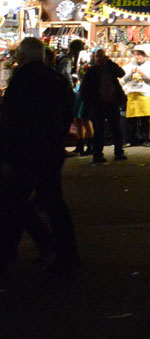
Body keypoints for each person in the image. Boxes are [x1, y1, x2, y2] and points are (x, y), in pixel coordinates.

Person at [0, 37, 78, 273]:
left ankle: (20, 249)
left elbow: (11, 122)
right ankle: (64, 251)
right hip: (50, 148)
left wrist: (9, 157)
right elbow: (68, 108)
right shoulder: (54, 78)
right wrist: (59, 135)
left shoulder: (20, 81)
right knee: (52, 201)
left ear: (22, 56)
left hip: (26, 149)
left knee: (15, 199)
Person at [80, 49, 126, 163]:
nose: (100, 59)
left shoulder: (111, 69)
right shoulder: (92, 72)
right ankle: (98, 154)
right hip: (98, 104)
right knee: (99, 130)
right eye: (98, 57)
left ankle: (118, 152)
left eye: (102, 57)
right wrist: (90, 103)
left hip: (112, 102)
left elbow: (121, 73)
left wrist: (109, 62)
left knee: (116, 128)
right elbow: (84, 89)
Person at [122, 49, 150, 147]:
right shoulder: (129, 66)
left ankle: (145, 139)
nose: (137, 57)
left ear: (144, 56)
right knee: (131, 120)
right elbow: (124, 79)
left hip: (144, 94)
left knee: (145, 119)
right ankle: (130, 140)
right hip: (132, 95)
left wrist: (142, 73)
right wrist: (130, 74)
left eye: (140, 55)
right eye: (136, 55)